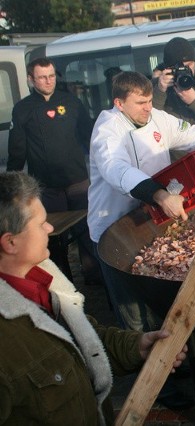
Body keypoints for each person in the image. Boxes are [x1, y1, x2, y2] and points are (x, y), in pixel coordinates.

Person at [0, 171, 188, 425]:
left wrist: (137, 346)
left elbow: (83, 339)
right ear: (10, 243)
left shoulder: (44, 283)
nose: (50, 228)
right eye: (40, 223)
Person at [89, 70, 195, 333]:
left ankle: (174, 352)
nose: (148, 108)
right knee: (133, 306)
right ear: (119, 104)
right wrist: (161, 195)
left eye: (150, 100)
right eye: (140, 104)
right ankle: (140, 358)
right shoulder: (108, 130)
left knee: (162, 290)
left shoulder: (159, 119)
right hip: (114, 225)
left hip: (154, 219)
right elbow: (117, 170)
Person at [7, 57, 103, 287]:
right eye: (42, 77)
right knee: (54, 238)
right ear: (31, 79)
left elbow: (89, 135)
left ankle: (94, 276)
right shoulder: (23, 109)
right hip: (47, 187)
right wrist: (11, 184)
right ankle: (62, 281)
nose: (48, 81)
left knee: (87, 232)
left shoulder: (71, 102)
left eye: (51, 76)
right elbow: (17, 148)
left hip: (77, 180)